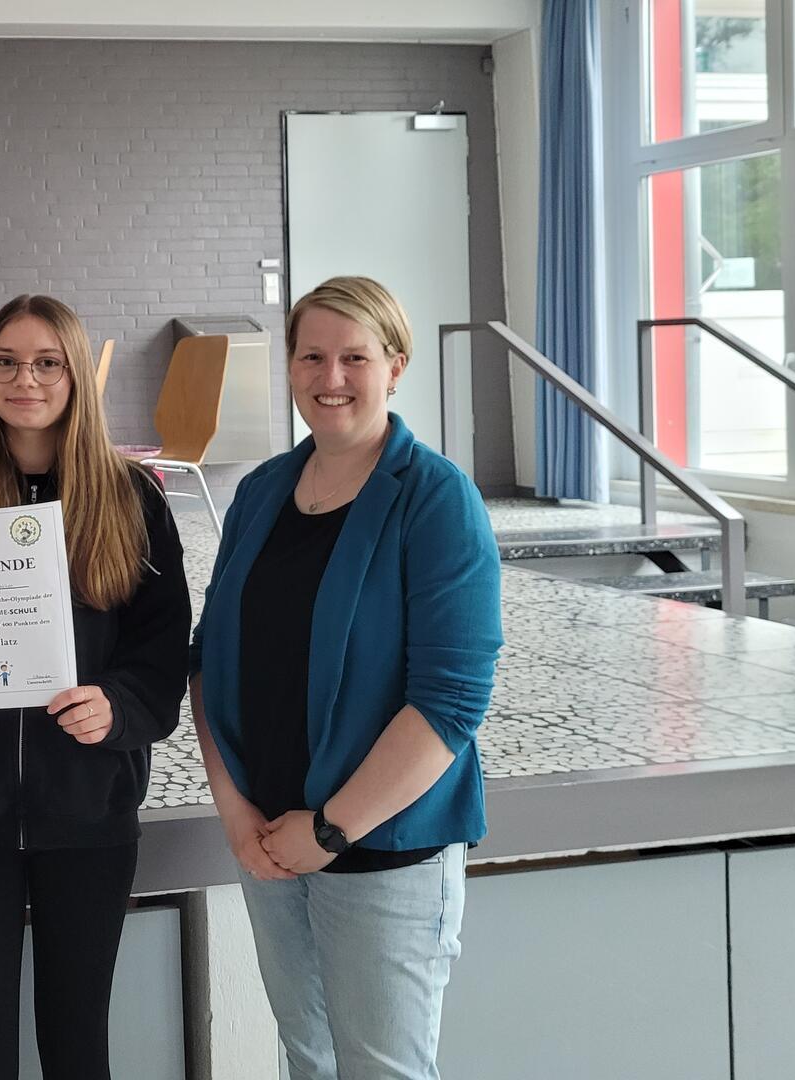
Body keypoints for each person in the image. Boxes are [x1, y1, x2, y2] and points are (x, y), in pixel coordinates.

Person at [189, 276, 502, 1080]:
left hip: (383, 849)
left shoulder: (435, 499)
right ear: (290, 367)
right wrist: (237, 816)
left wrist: (328, 829)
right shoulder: (261, 493)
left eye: (354, 357)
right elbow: (210, 662)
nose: (331, 378)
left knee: (379, 1070)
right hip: (269, 843)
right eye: (312, 357)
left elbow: (451, 702)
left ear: (395, 365)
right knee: (307, 1059)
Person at [0, 295, 190, 1080]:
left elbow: (161, 649)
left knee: (78, 1040)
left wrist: (118, 708)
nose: (27, 379)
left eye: (48, 362)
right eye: (8, 362)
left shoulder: (132, 498)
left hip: (89, 807)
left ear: (76, 375)